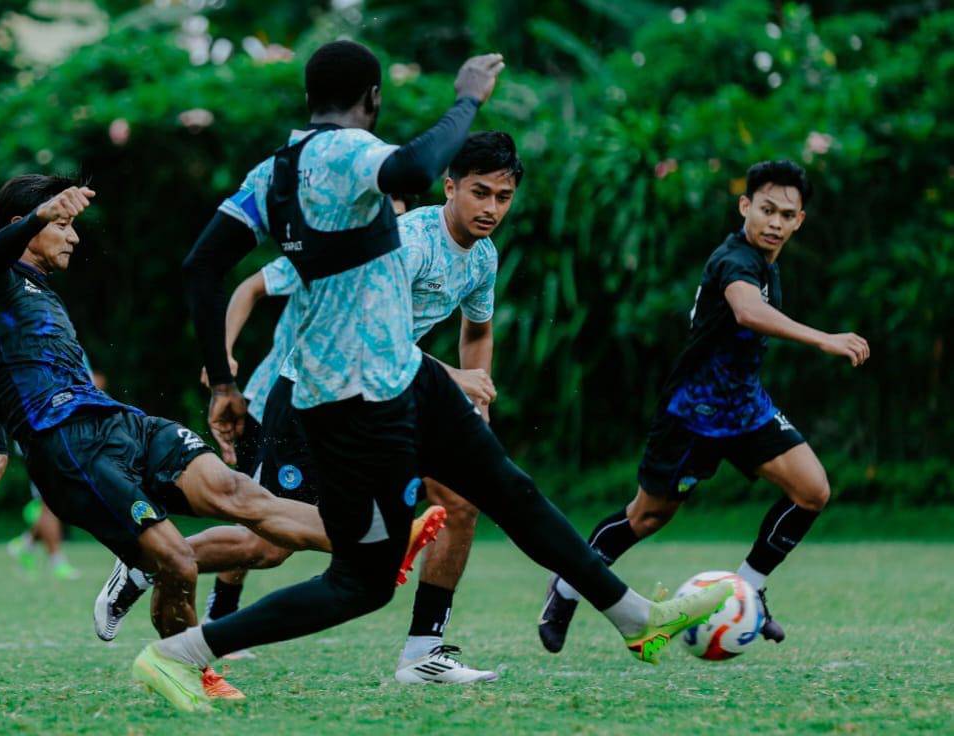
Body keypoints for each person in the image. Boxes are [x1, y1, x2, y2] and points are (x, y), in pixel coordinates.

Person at [135, 40, 732, 713]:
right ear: (373, 99)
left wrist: (221, 380)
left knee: (505, 488)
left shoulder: (270, 174)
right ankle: (176, 654)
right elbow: (415, 167)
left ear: (309, 96)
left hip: (393, 377)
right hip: (360, 398)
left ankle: (636, 621)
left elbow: (200, 266)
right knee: (359, 582)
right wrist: (468, 96)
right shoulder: (351, 151)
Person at [98, 132, 522, 684]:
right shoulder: (412, 242)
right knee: (267, 545)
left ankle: (424, 652)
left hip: (388, 393)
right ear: (449, 187)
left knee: (461, 499)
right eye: (479, 193)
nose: (490, 208)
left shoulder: (482, 258)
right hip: (314, 390)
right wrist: (455, 379)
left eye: (503, 197)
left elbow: (478, 330)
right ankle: (148, 560)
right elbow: (378, 330)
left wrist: (476, 405)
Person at [0, 175, 358, 707]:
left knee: (239, 494)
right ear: (21, 227)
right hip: (68, 448)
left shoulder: (35, 294)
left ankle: (370, 541)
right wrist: (2, 448)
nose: (73, 236)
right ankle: (184, 664)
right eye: (62, 224)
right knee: (178, 562)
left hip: (120, 423)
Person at [537, 160, 870, 654]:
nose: (775, 222)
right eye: (766, 209)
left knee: (812, 491)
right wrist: (822, 339)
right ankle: (565, 590)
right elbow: (747, 311)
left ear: (800, 220)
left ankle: (749, 589)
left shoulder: (769, 262)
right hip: (692, 414)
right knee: (647, 517)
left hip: (746, 409)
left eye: (787, 214)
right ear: (745, 207)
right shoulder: (733, 259)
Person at [0, 435, 81, 580]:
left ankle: (25, 543)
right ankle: (57, 562)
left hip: (60, 435)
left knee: (58, 500)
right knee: (48, 502)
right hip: (37, 437)